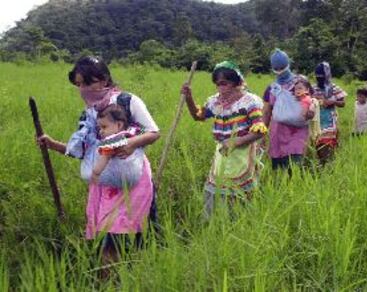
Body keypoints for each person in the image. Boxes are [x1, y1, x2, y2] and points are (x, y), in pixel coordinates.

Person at [37, 56, 160, 266]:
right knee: (106, 240)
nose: (83, 89)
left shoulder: (127, 101)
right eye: (78, 84)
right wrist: (52, 144)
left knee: (133, 237)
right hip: (103, 188)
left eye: (88, 83)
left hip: (132, 183)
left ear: (104, 81)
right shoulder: (87, 114)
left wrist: (130, 144)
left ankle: (135, 277)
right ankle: (109, 281)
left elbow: (154, 132)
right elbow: (81, 151)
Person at [181, 61, 267, 216]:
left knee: (239, 196)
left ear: (236, 83)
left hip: (242, 154)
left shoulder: (249, 102)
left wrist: (236, 142)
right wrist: (189, 98)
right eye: (218, 84)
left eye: (224, 84)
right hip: (222, 152)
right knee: (215, 189)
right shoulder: (215, 101)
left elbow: (260, 131)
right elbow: (198, 116)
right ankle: (214, 223)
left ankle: (239, 222)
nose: (221, 88)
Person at [262, 49, 314, 171]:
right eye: (277, 68)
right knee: (279, 168)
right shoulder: (272, 88)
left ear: (288, 65)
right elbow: (267, 112)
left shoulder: (301, 83)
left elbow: (312, 102)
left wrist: (311, 114)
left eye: (282, 68)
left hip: (297, 132)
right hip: (277, 133)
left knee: (294, 167)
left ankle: (293, 188)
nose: (280, 71)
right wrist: (262, 134)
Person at [91, 104, 144, 188]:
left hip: (122, 176)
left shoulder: (112, 141)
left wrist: (95, 173)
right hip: (139, 175)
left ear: (119, 125)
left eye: (104, 127)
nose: (100, 131)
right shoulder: (132, 131)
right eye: (99, 128)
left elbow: (105, 157)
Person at [312, 61, 346, 165]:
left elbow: (343, 103)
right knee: (317, 144)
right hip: (316, 121)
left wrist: (333, 102)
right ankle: (323, 164)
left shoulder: (334, 88)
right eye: (318, 77)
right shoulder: (312, 88)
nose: (319, 80)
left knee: (327, 144)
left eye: (322, 77)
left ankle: (326, 165)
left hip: (329, 121)